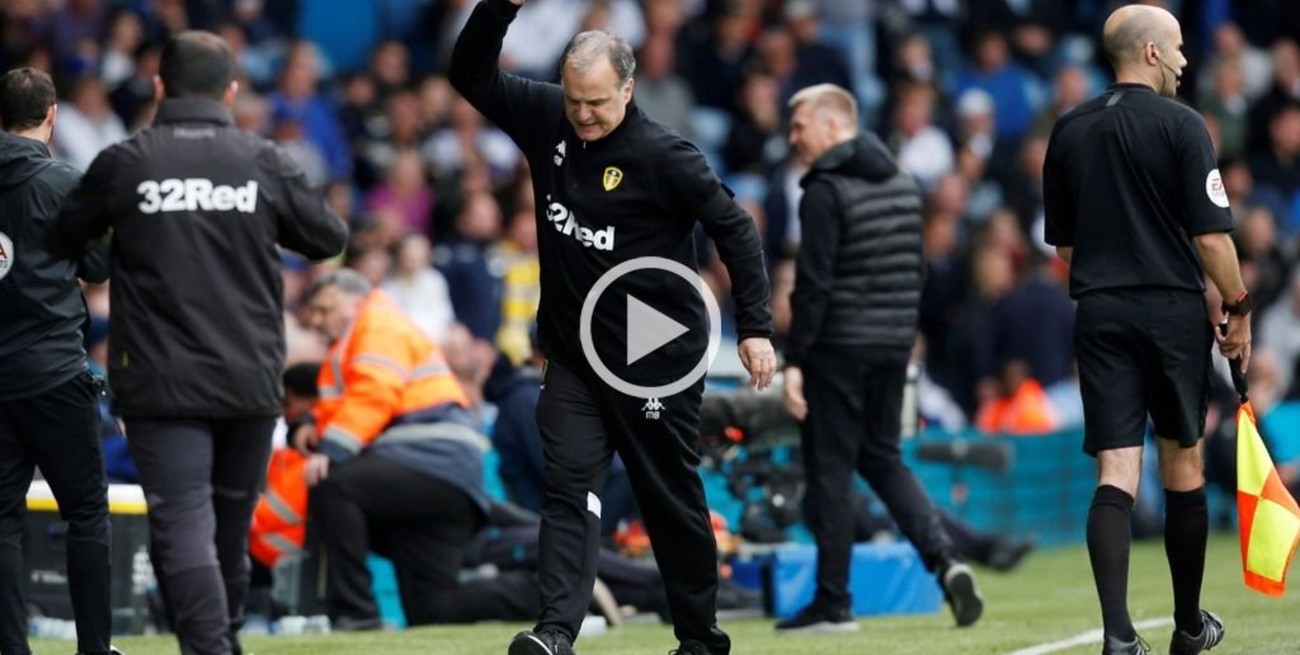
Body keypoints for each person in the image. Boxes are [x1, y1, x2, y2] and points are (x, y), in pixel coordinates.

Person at [450, 1, 778, 653]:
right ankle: (555, 634)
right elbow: (470, 75)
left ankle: (699, 638)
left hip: (653, 349)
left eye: (598, 102)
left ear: (627, 89)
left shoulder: (665, 155)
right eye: (576, 101)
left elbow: (735, 227)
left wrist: (756, 327)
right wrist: (501, 9)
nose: (585, 115)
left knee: (668, 495)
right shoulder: (548, 118)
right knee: (567, 487)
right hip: (574, 354)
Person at [45, 31, 349, 655]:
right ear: (232, 92)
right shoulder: (261, 160)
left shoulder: (128, 161)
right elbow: (327, 237)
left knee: (184, 524)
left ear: (159, 87)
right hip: (249, 374)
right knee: (226, 531)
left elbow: (62, 237)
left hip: (161, 380)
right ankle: (221, 644)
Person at [1042, 6, 1247, 655]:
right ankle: (1188, 628)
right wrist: (1238, 307)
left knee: (1117, 469)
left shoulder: (1068, 129)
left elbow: (1066, 250)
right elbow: (1212, 239)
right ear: (1152, 53)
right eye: (1180, 48)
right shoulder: (1184, 125)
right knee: (1182, 462)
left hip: (1100, 312)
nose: (1188, 61)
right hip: (1171, 311)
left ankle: (1119, 636)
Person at [778, 83, 984, 634]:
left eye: (799, 126)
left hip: (837, 350)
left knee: (832, 473)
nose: (792, 137)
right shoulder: (901, 179)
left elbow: (813, 286)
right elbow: (912, 270)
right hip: (892, 346)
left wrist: (794, 360)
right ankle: (947, 562)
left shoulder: (823, 189)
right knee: (884, 460)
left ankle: (833, 603)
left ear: (831, 124)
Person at [293, 269, 499, 628]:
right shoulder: (365, 332)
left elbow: (374, 395)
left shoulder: (377, 323)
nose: (317, 320)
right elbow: (352, 402)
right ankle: (542, 591)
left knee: (333, 485)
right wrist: (310, 426)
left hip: (428, 458)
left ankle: (356, 613)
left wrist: (331, 449)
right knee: (435, 610)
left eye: (326, 309)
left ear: (356, 300)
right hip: (443, 471)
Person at [0, 67, 118, 655]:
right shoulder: (62, 183)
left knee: (1, 520)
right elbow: (98, 267)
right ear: (50, 118)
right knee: (87, 514)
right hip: (51, 369)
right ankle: (95, 650)